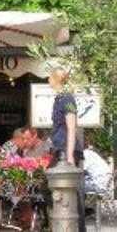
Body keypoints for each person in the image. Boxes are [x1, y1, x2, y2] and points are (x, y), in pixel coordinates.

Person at [48, 66, 86, 232]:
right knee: (56, 187)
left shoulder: (67, 99)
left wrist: (70, 155)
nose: (48, 80)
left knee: (70, 191)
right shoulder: (59, 98)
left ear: (56, 78)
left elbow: (72, 127)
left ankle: (74, 227)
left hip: (66, 149)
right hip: (59, 147)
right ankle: (61, 225)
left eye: (50, 77)